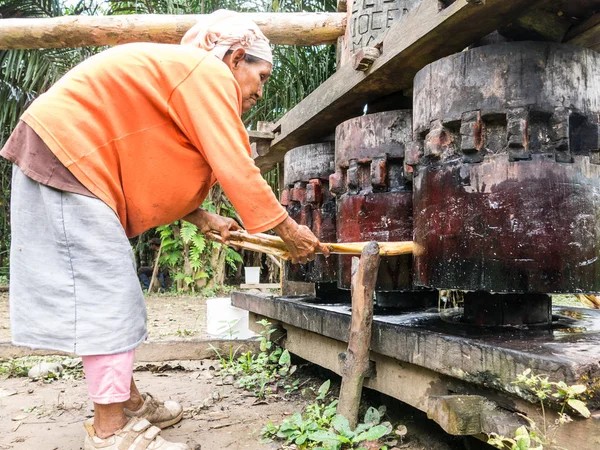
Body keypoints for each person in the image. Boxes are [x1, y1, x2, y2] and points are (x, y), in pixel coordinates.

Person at [1, 10, 329, 450]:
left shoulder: (181, 78)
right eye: (261, 75)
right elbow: (234, 164)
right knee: (108, 297)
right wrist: (286, 228)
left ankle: (128, 403)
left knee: (110, 296)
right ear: (234, 57)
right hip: (68, 161)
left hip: (70, 162)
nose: (259, 91)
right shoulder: (208, 72)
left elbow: (144, 159)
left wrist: (201, 216)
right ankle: (110, 433)